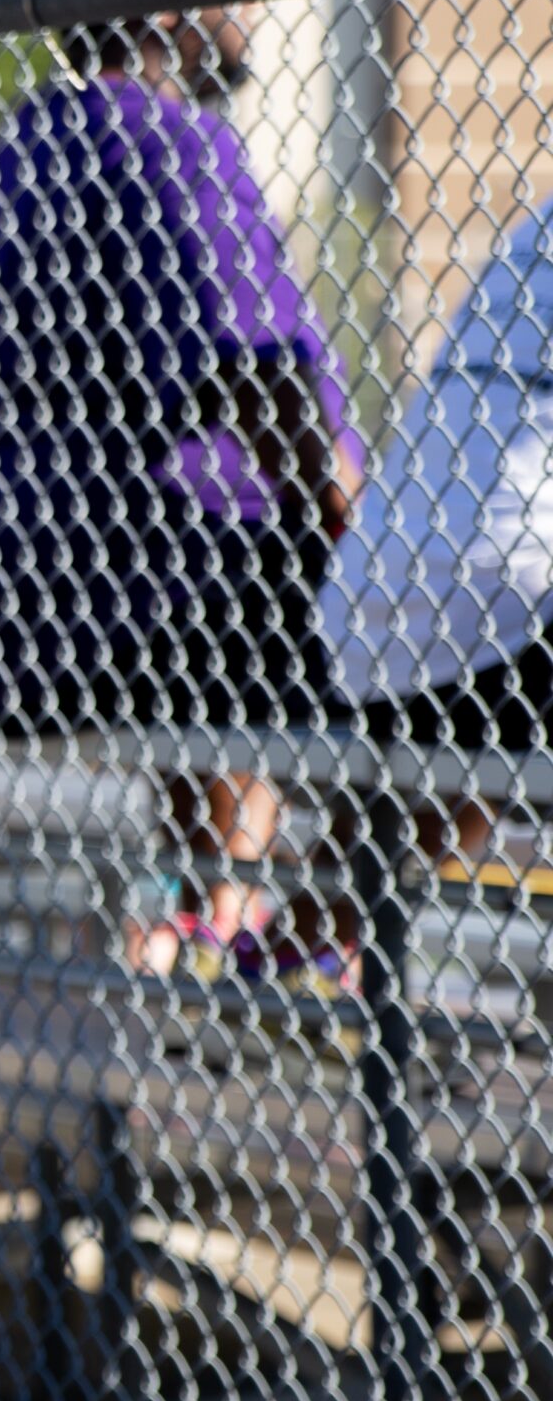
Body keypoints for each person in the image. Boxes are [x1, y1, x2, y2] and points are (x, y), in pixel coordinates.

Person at [0, 5, 364, 977]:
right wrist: (368, 529)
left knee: (215, 525)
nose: (253, 10)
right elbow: (264, 379)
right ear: (170, 1)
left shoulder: (28, 135)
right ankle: (296, 922)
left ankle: (202, 909)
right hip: (90, 600)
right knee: (385, 578)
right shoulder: (173, 135)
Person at [303, 197, 553, 958]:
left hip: (365, 608)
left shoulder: (534, 223)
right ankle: (312, 953)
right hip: (498, 612)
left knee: (380, 843)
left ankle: (296, 955)